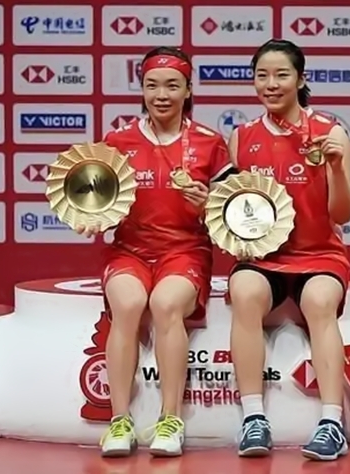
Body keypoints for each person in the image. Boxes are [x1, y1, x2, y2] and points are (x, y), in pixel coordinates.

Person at [76, 47, 235, 458]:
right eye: (152, 85)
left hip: (185, 251)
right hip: (129, 251)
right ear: (142, 89)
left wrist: (208, 203)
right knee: (128, 305)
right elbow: (101, 206)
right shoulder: (117, 142)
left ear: (188, 90)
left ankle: (170, 420)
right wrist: (90, 217)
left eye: (172, 85)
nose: (161, 95)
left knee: (165, 304)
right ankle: (120, 421)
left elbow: (233, 214)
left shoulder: (210, 143)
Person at [227, 39, 350, 461]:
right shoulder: (242, 138)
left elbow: (341, 212)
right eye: (261, 76)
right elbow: (235, 208)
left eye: (281, 75)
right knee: (244, 292)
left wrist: (336, 169)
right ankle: (253, 418)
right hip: (263, 258)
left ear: (300, 79)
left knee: (319, 301)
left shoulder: (330, 134)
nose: (271, 84)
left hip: (320, 254)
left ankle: (332, 423)